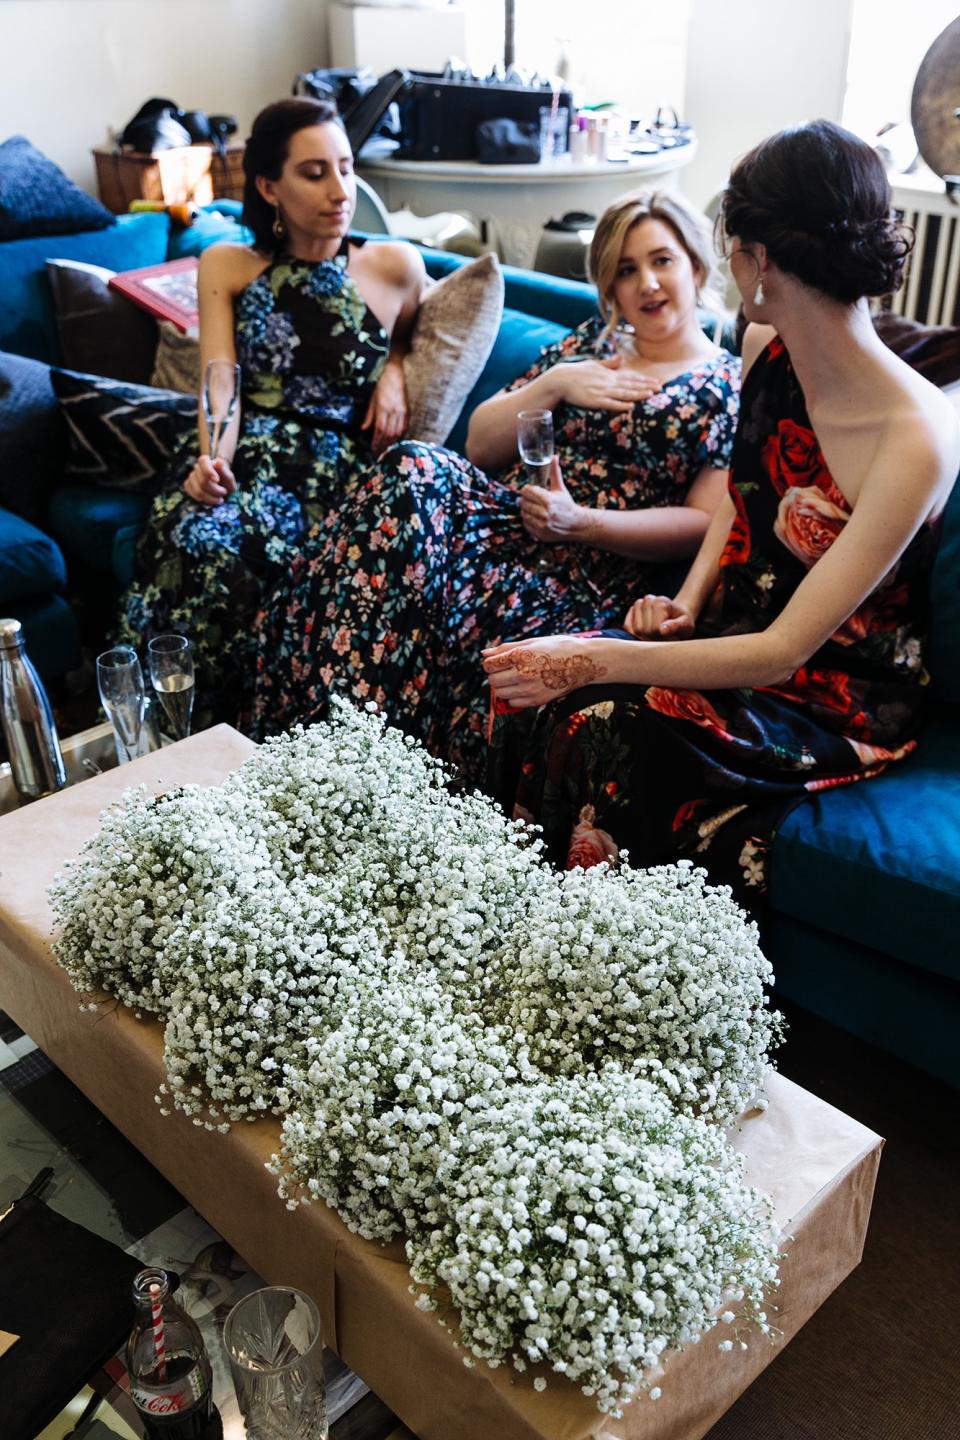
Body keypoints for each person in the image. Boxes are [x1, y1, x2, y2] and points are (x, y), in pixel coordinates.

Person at [484, 120, 960, 911]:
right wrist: (689, 600)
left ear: (757, 259)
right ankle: (523, 925)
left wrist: (589, 657)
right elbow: (742, 508)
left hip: (831, 695)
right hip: (731, 632)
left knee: (603, 717)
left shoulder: (917, 440)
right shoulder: (761, 344)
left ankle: (588, 954)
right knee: (541, 706)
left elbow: (782, 654)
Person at [252, 189, 740, 786]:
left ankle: (344, 771)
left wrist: (579, 520)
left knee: (386, 561)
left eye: (662, 261)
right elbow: (480, 446)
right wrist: (558, 384)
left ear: (695, 265)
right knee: (410, 472)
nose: (647, 283)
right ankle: (326, 764)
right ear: (609, 289)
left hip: (586, 563)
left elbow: (702, 521)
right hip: (502, 519)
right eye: (626, 270)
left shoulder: (725, 383)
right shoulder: (590, 345)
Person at [118, 97, 427, 727]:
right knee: (194, 538)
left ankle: (244, 739)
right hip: (243, 447)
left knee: (232, 562)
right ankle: (170, 734)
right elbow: (220, 379)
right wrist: (211, 461)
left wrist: (394, 368)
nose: (341, 191)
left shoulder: (394, 265)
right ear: (269, 186)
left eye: (345, 167)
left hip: (329, 472)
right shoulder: (228, 264)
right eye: (314, 173)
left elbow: (409, 333)